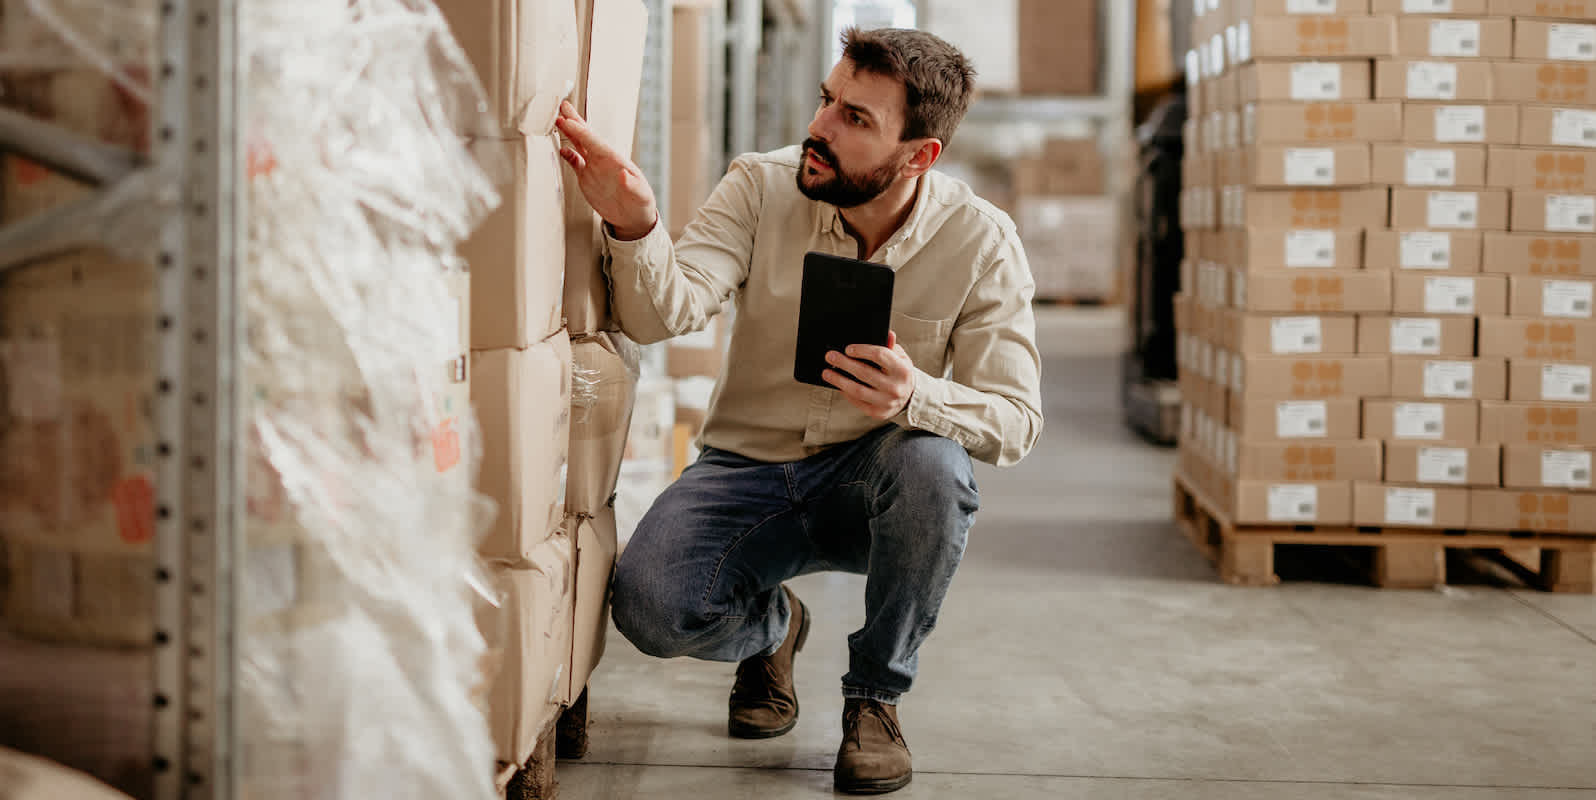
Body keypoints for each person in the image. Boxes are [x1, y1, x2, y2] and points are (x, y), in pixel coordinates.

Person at [555, 26, 1043, 795]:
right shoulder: (759, 186)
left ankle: (875, 699)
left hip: (872, 484)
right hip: (747, 468)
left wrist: (916, 394)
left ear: (919, 155)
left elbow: (1015, 419)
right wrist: (635, 223)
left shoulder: (981, 241)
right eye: (827, 100)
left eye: (856, 119)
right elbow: (664, 314)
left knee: (933, 462)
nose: (819, 127)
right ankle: (775, 627)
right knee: (649, 608)